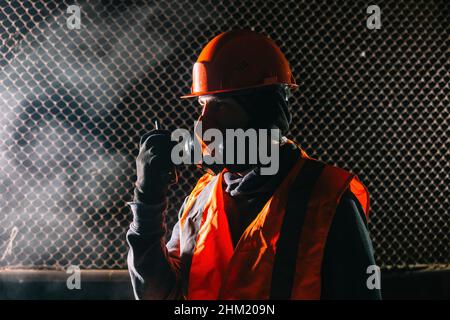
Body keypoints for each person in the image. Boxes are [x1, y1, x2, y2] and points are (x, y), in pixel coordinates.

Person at [126, 30, 381, 300]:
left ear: (264, 113)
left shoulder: (327, 198)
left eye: (221, 105)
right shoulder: (200, 201)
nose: (202, 124)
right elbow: (158, 294)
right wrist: (147, 204)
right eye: (202, 105)